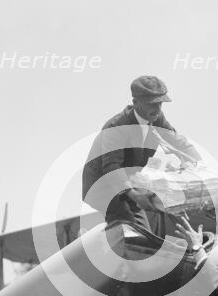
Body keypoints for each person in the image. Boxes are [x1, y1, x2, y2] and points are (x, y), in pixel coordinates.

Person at [82, 75, 201, 236]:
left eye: (160, 103)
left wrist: (196, 165)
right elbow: (112, 167)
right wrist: (134, 194)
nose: (158, 109)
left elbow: (179, 142)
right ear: (135, 103)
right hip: (102, 185)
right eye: (151, 104)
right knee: (129, 227)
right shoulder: (116, 126)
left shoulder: (157, 118)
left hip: (128, 182)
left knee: (144, 231)